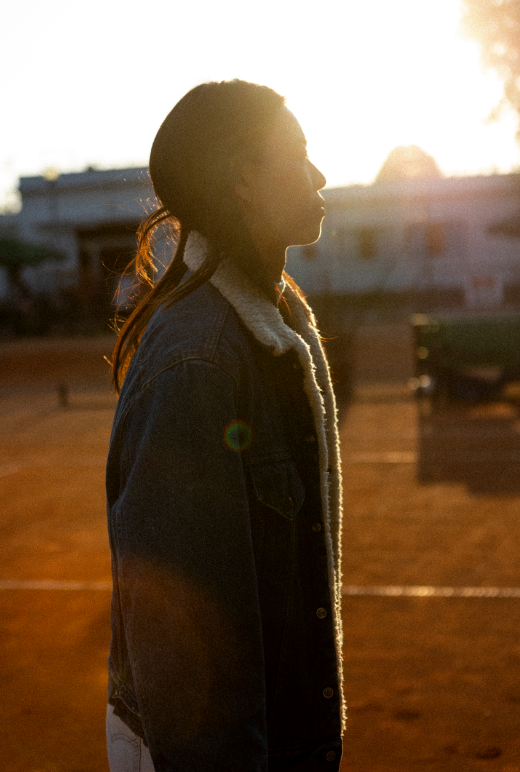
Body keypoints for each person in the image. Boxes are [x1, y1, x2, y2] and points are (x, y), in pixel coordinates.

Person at [105, 79, 344, 772]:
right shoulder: (199, 362)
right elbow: (186, 651)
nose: (319, 175)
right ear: (242, 179)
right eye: (297, 153)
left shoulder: (274, 322)